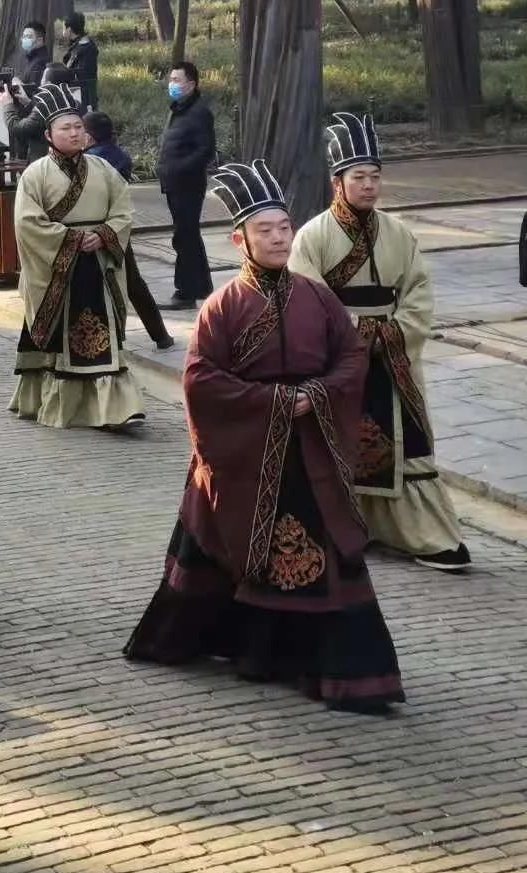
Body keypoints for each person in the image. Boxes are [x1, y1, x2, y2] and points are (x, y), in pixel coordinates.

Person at [124, 160, 405, 714]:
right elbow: (201, 381)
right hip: (246, 449)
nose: (278, 238)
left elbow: (351, 355)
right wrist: (277, 402)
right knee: (225, 542)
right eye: (264, 230)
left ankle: (338, 673)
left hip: (309, 446)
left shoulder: (317, 297)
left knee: (323, 553)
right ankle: (247, 650)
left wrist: (317, 395)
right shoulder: (222, 306)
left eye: (283, 228)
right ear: (240, 239)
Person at [289, 113, 470, 573]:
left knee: (408, 440)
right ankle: (348, 528)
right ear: (338, 182)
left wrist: (390, 331)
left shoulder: (398, 233)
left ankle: (427, 534)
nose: (369, 186)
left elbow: (419, 291)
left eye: (375, 177)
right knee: (340, 441)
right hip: (341, 360)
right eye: (358, 177)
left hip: (393, 357)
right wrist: (352, 334)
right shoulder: (312, 237)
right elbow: (306, 297)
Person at [10, 83, 145, 430]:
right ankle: (57, 403)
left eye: (78, 127)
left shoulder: (103, 169)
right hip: (56, 269)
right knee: (58, 337)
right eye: (65, 128)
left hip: (98, 265)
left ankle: (114, 409)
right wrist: (70, 240)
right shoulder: (35, 174)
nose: (74, 133)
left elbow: (123, 212)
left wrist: (101, 235)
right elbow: (27, 223)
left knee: (103, 339)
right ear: (48, 134)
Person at [83, 111, 173, 350]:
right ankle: (161, 335)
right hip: (117, 227)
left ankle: (110, 341)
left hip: (92, 228)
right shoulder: (120, 155)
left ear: (89, 137)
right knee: (133, 282)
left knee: (97, 285)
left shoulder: (89, 163)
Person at [155, 59, 215, 309]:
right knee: (188, 234)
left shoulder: (199, 111)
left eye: (177, 80)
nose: (172, 84)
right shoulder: (178, 108)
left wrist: (178, 169)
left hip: (188, 184)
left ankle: (185, 293)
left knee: (184, 237)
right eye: (170, 79)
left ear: (191, 84)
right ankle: (202, 287)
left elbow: (206, 150)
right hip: (174, 183)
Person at [62, 12, 99, 109]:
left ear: (69, 29)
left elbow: (84, 75)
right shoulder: (77, 45)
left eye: (64, 28)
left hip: (85, 97)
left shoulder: (86, 47)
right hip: (76, 94)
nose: (63, 31)